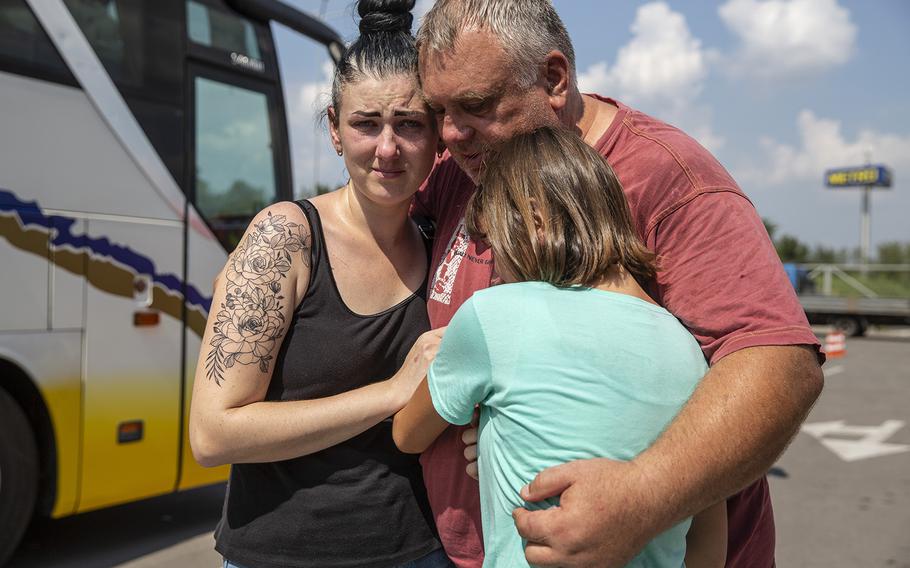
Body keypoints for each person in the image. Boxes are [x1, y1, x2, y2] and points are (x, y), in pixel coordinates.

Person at [410, 1, 824, 566]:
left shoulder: (670, 181)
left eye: (476, 105)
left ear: (553, 79)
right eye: (438, 111)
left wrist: (642, 495)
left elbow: (780, 365)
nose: (452, 135)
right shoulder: (464, 164)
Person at [188, 1, 453, 566]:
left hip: (421, 552)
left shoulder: (442, 241)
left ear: (438, 138)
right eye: (366, 123)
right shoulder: (284, 239)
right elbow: (213, 434)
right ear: (334, 129)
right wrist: (389, 394)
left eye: (409, 124)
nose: (387, 148)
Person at [393, 126, 728, 568]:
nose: (496, 269)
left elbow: (407, 435)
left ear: (533, 220)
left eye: (495, 243)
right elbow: (709, 550)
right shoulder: (689, 350)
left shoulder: (494, 315)